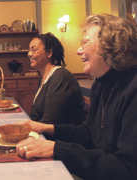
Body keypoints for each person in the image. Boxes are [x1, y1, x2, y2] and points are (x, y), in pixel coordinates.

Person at [16, 14, 137, 180]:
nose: (78, 50)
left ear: (110, 46)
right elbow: (88, 132)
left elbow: (127, 170)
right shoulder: (100, 85)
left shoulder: (133, 90)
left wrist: (56, 149)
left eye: (85, 43)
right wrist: (45, 128)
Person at [27, 33, 84, 134]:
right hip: (44, 134)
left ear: (49, 53)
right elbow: (35, 115)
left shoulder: (60, 77)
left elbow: (49, 122)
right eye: (29, 50)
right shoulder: (43, 78)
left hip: (61, 141)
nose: (29, 54)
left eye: (34, 50)